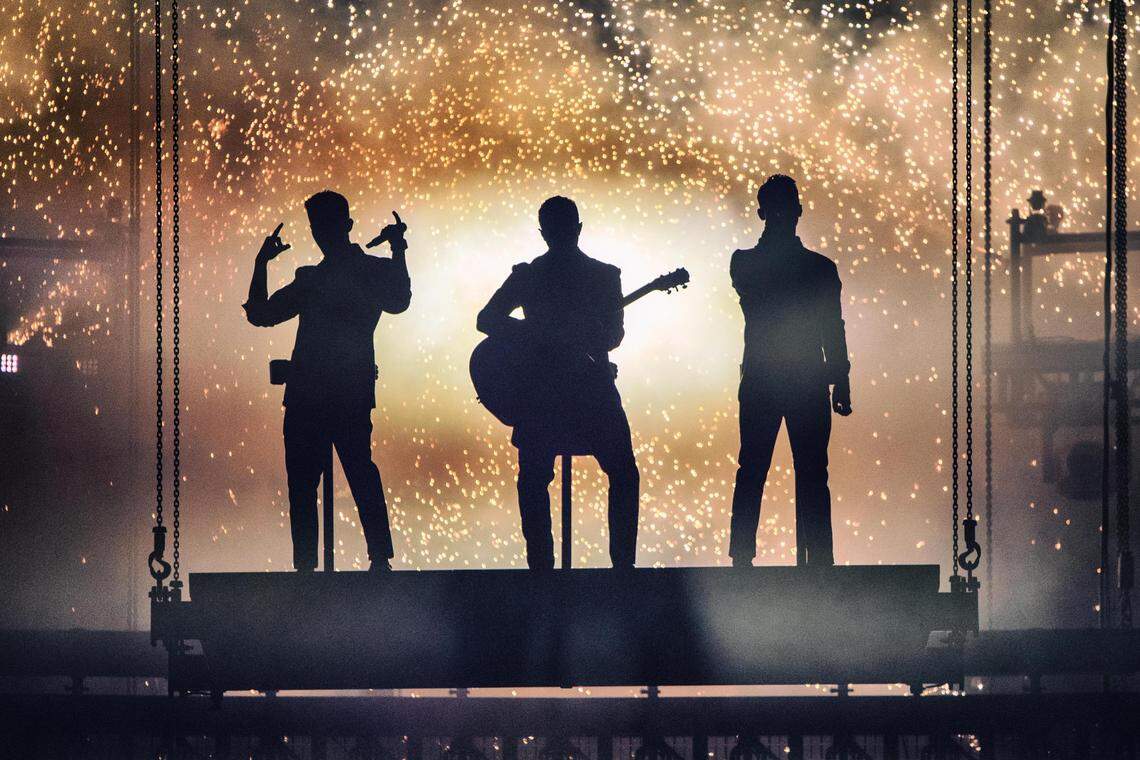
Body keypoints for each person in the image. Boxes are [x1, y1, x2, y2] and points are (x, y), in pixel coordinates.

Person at [244, 191, 410, 572]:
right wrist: (398, 250)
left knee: (312, 483)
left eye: (322, 226)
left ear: (342, 226)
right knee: (355, 472)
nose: (320, 234)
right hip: (343, 392)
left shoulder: (314, 281)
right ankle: (376, 559)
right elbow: (400, 300)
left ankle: (310, 567)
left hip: (312, 394)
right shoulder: (359, 274)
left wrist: (261, 264)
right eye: (317, 227)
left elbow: (261, 314)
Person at [477, 196, 640, 570]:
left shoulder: (601, 275)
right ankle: (553, 567)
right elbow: (486, 319)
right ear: (574, 229)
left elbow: (613, 335)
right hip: (549, 392)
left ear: (545, 232)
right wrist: (537, 333)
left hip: (585, 387)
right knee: (537, 477)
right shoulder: (535, 275)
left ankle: (615, 568)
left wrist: (586, 335)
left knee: (619, 472)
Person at [728, 175, 852, 568]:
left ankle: (743, 557)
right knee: (810, 472)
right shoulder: (819, 269)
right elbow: (832, 328)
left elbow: (829, 325)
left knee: (754, 468)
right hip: (805, 380)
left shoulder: (745, 263)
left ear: (761, 212)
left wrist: (841, 378)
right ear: (798, 210)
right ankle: (820, 560)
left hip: (763, 380)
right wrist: (841, 379)